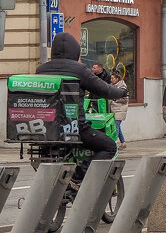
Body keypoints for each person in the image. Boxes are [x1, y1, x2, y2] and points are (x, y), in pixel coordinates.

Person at [37, 32, 127, 187]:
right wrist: (122, 92)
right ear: (75, 51)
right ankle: (79, 176)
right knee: (109, 146)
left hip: (45, 128)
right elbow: (103, 89)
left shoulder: (41, 69)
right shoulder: (79, 69)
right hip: (73, 128)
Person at [108, 72, 128, 151]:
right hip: (113, 109)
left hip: (119, 109)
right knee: (118, 127)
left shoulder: (122, 87)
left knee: (115, 127)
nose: (111, 80)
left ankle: (114, 144)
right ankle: (123, 143)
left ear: (117, 79)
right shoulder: (112, 86)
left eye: (113, 78)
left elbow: (125, 99)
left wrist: (114, 100)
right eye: (111, 78)